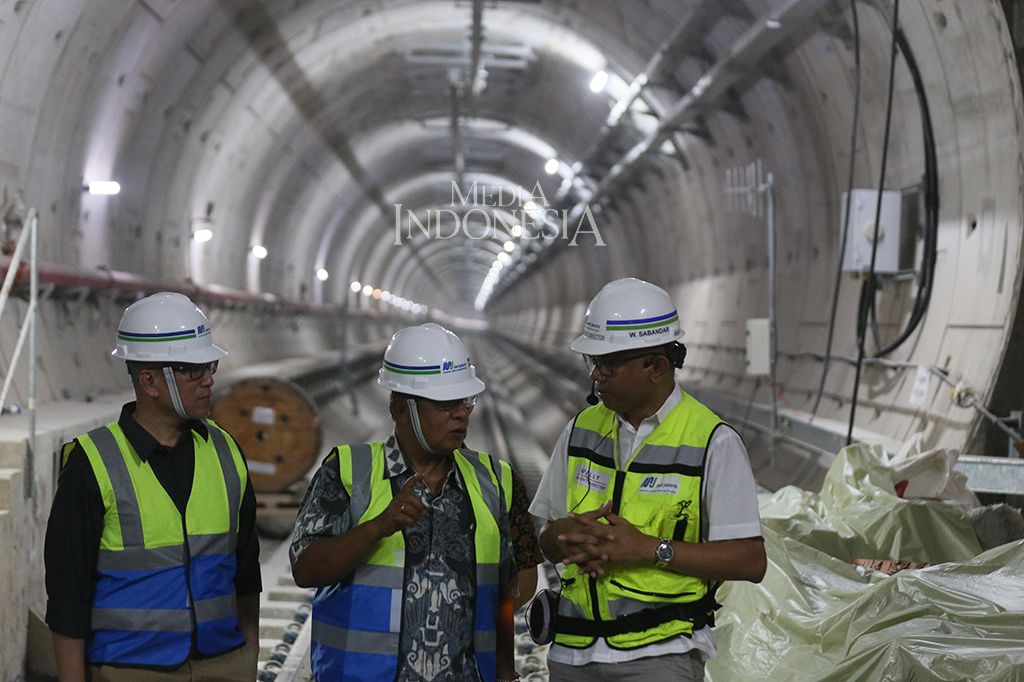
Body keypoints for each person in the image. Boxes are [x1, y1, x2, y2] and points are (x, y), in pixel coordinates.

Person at [529, 278, 767, 682]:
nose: (596, 377)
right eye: (592, 362)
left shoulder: (712, 442)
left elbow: (749, 560)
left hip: (659, 657)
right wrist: (563, 537)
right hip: (572, 654)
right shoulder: (581, 430)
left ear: (656, 366)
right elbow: (546, 539)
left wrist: (651, 549)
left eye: (607, 364)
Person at [44, 292, 261, 682]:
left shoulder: (226, 451)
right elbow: (66, 594)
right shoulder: (92, 463)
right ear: (149, 380)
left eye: (209, 365)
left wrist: (249, 655)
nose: (209, 378)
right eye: (193, 369)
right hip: (130, 669)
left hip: (225, 664)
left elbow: (245, 569)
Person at [291, 323, 527, 682]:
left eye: (467, 400)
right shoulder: (346, 472)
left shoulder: (498, 480)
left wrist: (507, 672)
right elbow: (306, 569)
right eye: (446, 404)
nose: (462, 413)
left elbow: (510, 591)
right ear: (402, 410)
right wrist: (377, 527)